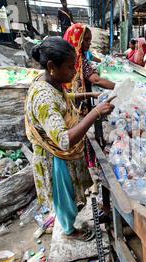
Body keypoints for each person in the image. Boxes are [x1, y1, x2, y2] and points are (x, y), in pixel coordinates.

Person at [24, 37, 115, 241]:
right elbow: (64, 140)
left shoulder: (51, 82)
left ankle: (69, 222)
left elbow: (64, 100)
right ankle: (70, 230)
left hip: (61, 155)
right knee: (63, 197)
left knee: (68, 194)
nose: (74, 72)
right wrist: (95, 114)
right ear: (51, 66)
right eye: (69, 67)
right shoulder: (43, 97)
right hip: (55, 157)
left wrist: (90, 94)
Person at [63, 23, 115, 96]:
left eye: (90, 40)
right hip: (72, 97)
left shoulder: (76, 55)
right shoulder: (76, 58)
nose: (89, 43)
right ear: (77, 39)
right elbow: (96, 80)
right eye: (86, 40)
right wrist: (118, 87)